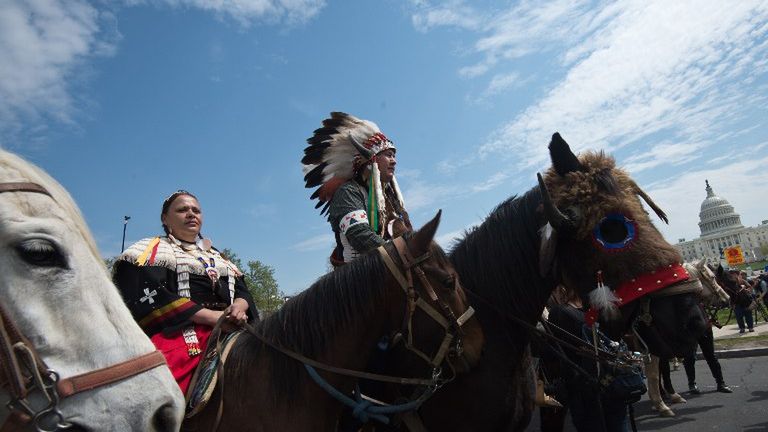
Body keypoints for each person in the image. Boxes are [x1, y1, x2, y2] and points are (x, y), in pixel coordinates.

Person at [113, 190, 258, 393]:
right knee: (158, 389)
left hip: (234, 325)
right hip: (185, 334)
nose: (191, 214)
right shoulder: (149, 250)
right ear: (165, 218)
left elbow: (243, 291)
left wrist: (238, 308)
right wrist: (212, 317)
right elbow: (153, 296)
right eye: (182, 210)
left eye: (196, 210)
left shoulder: (218, 257)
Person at [301, 112, 411, 266]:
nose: (394, 161)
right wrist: (402, 256)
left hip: (385, 272)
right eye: (389, 155)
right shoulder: (348, 192)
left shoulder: (386, 199)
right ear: (371, 160)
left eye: (394, 156)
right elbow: (361, 236)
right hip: (356, 282)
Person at [547, 286, 630, 432]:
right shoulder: (606, 305)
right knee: (619, 423)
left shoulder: (559, 312)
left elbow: (551, 351)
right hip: (613, 378)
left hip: (581, 384)